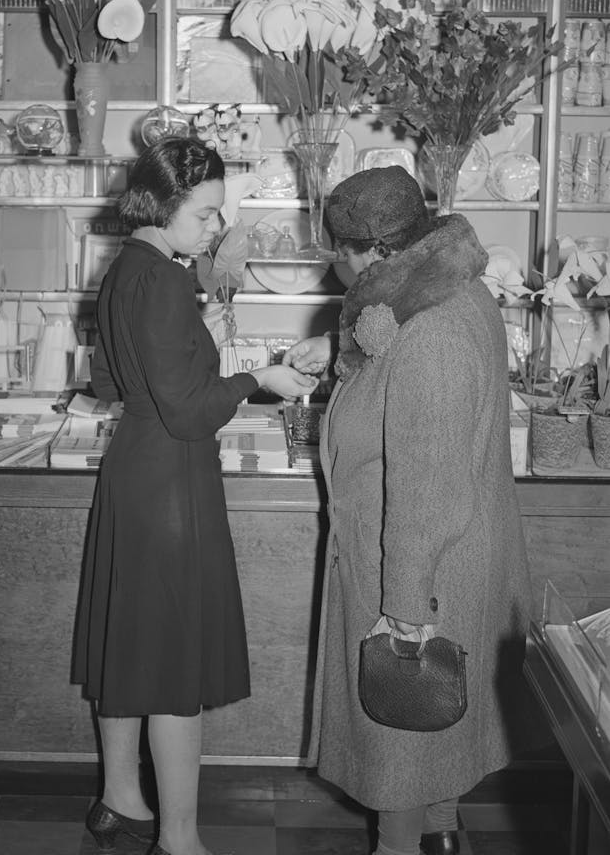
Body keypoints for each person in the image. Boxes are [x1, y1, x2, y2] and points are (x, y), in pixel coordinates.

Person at [72, 136, 316, 855]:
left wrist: (195, 339)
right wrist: (256, 379)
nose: (216, 228)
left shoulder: (124, 269)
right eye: (206, 214)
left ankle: (119, 797)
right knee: (173, 663)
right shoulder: (168, 281)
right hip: (171, 481)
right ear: (163, 204)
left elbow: (112, 381)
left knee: (130, 648)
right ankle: (179, 838)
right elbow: (188, 412)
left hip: (132, 472)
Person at [283, 166, 534, 855]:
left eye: (339, 253)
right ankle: (441, 832)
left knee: (399, 732)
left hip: (423, 569)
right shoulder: (443, 293)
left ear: (371, 252)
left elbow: (428, 485)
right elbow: (399, 370)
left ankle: (399, 847)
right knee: (430, 721)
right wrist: (337, 348)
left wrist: (404, 606)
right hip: (446, 556)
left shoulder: (434, 336)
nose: (335, 268)